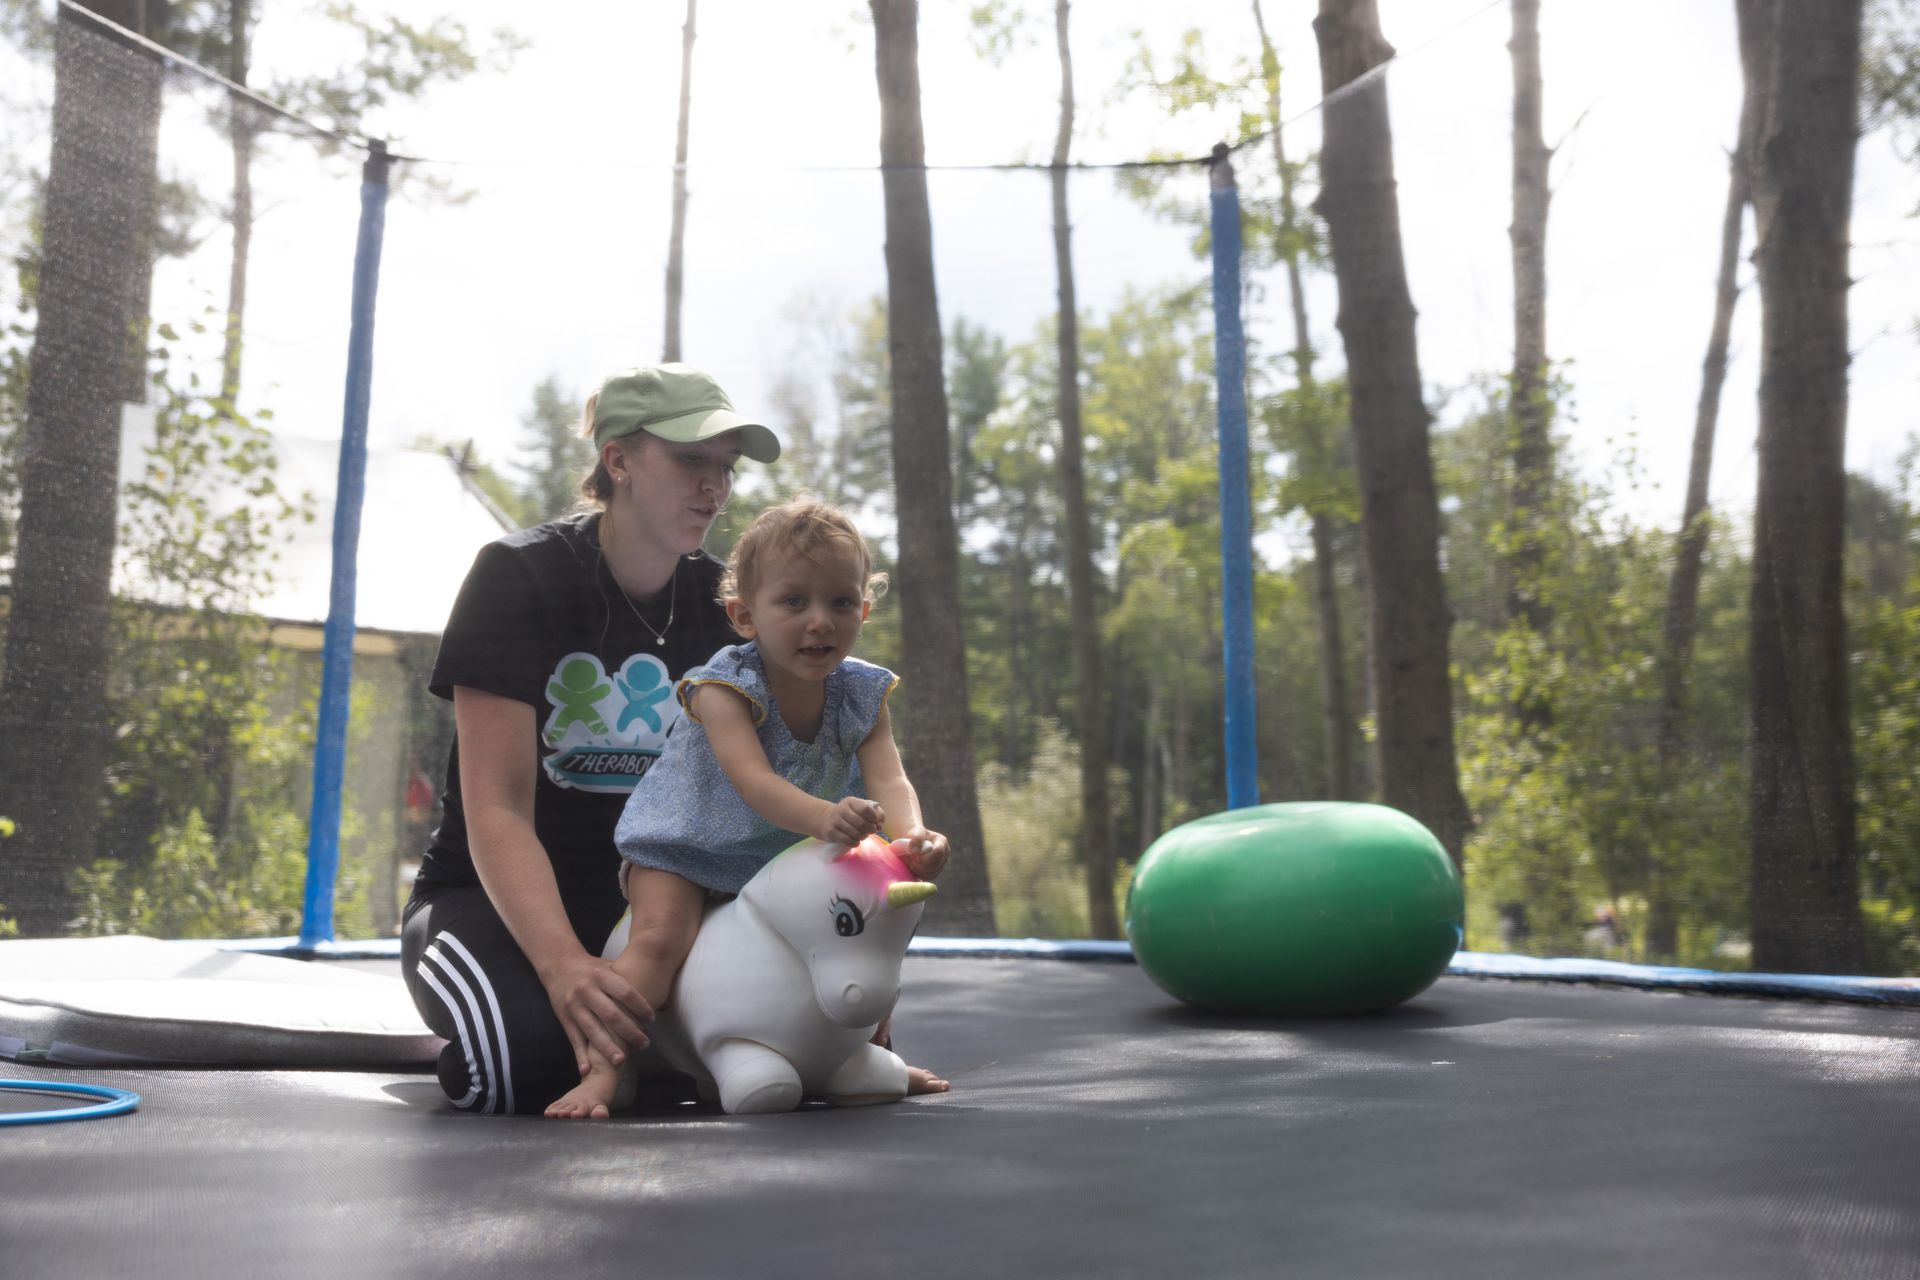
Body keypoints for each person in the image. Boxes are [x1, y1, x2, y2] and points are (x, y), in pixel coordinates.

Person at [400, 363, 783, 1115]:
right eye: (691, 460)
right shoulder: (517, 578)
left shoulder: (722, 614)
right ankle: (532, 1022)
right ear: (619, 460)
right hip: (493, 907)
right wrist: (562, 966)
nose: (715, 486)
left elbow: (761, 801)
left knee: (772, 1043)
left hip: (652, 915)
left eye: (725, 468)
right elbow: (498, 810)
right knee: (528, 1067)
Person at [546, 498, 950, 1119]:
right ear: (744, 615)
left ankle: (864, 1055)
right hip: (688, 849)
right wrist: (823, 818)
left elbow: (890, 776)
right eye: (794, 602)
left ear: (863, 612)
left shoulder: (864, 692)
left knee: (881, 911)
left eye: (841, 602)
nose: (820, 621)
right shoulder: (724, 688)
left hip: (789, 857)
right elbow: (752, 782)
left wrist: (913, 836)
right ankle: (605, 1069)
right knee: (657, 941)